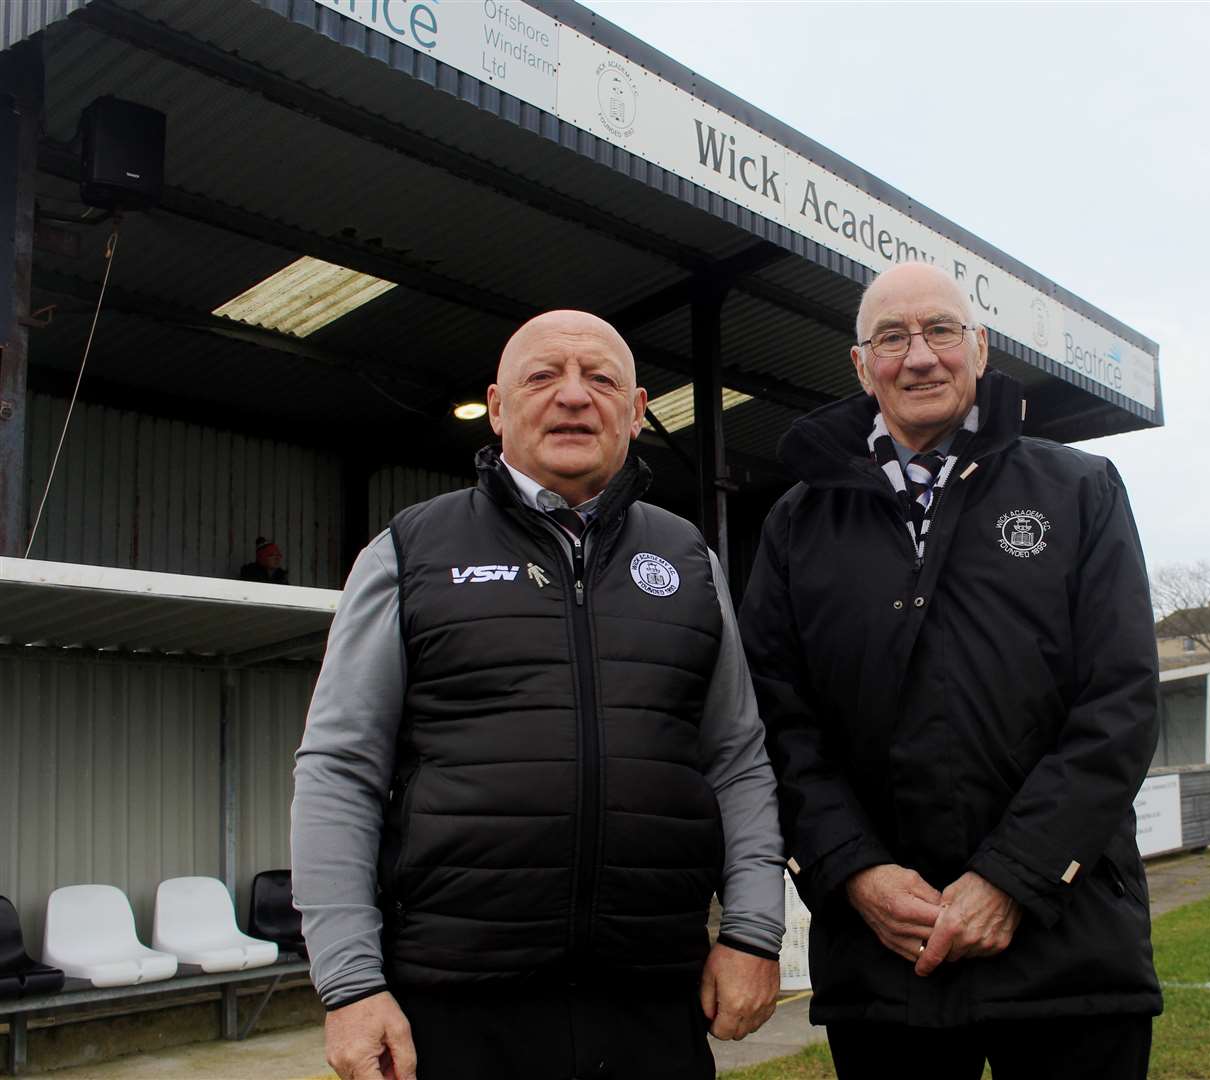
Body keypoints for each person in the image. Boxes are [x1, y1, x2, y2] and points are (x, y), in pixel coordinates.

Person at [291, 311, 784, 1080]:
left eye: (601, 380)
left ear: (635, 409)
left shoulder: (689, 560)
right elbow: (339, 771)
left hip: (653, 1002)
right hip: (458, 1008)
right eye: (543, 376)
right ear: (496, 406)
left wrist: (753, 932)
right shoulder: (410, 551)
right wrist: (351, 984)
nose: (574, 397)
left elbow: (737, 760)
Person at [740, 263, 1161, 1079]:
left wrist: (1013, 878)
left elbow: (1120, 700)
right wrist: (854, 871)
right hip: (883, 963)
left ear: (980, 347)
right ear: (861, 366)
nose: (919, 356)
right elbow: (776, 720)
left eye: (939, 331)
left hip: (1067, 951)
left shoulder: (1080, 490)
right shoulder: (797, 522)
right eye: (890, 338)